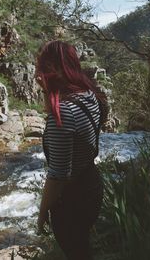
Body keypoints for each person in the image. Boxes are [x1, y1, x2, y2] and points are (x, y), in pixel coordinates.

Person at [36, 40, 105, 260]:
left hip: (71, 201)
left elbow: (58, 175)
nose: (38, 75)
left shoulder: (63, 113)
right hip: (92, 185)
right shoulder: (89, 95)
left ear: (53, 70)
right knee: (83, 248)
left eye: (42, 69)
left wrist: (42, 212)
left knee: (76, 252)